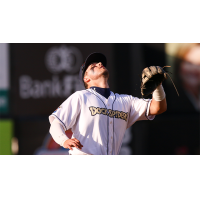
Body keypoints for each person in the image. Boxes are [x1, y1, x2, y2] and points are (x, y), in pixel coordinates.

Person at [49, 52, 167, 155]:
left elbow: (157, 108)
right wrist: (63, 140)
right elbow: (56, 123)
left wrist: (158, 87)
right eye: (93, 66)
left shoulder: (125, 101)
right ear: (86, 79)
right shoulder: (81, 97)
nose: (99, 64)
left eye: (100, 63)